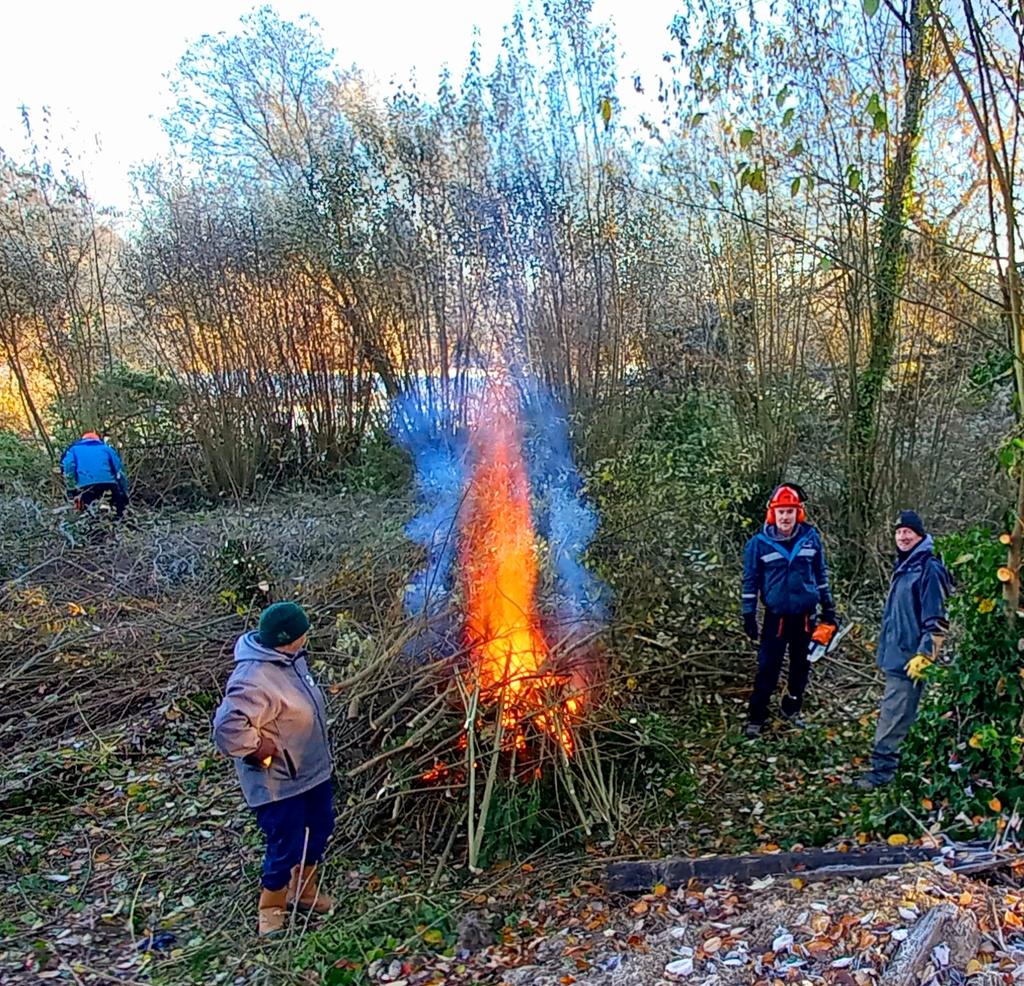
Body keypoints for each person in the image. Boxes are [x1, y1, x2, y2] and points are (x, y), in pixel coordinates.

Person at [213, 602, 335, 936]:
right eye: (302, 633)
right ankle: (271, 908)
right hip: (279, 784)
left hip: (312, 771)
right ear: (286, 639)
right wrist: (260, 749)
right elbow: (226, 728)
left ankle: (304, 892)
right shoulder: (253, 678)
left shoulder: (292, 659)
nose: (307, 637)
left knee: (320, 828)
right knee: (286, 845)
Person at [854, 511, 952, 791]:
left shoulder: (928, 568)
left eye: (908, 532)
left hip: (911, 658)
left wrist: (926, 654)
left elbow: (937, 619)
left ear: (920, 535)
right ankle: (897, 766)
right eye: (898, 532)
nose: (902, 536)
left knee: (893, 714)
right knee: (898, 712)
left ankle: (882, 773)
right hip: (896, 654)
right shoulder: (906, 565)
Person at [741, 483, 836, 739]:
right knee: (768, 667)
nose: (785, 517)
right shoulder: (758, 544)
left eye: (790, 512)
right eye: (781, 512)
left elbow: (821, 575)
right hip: (777, 618)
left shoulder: (811, 539)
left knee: (801, 667)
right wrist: (748, 614)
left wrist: (829, 609)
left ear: (798, 513)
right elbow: (749, 581)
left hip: (806, 617)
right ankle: (756, 716)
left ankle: (791, 709)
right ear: (773, 513)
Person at [60, 431, 129, 519]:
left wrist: (71, 488)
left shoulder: (73, 450)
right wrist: (124, 491)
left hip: (85, 487)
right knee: (118, 513)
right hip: (109, 484)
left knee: (88, 516)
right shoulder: (107, 449)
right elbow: (119, 471)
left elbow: (68, 467)